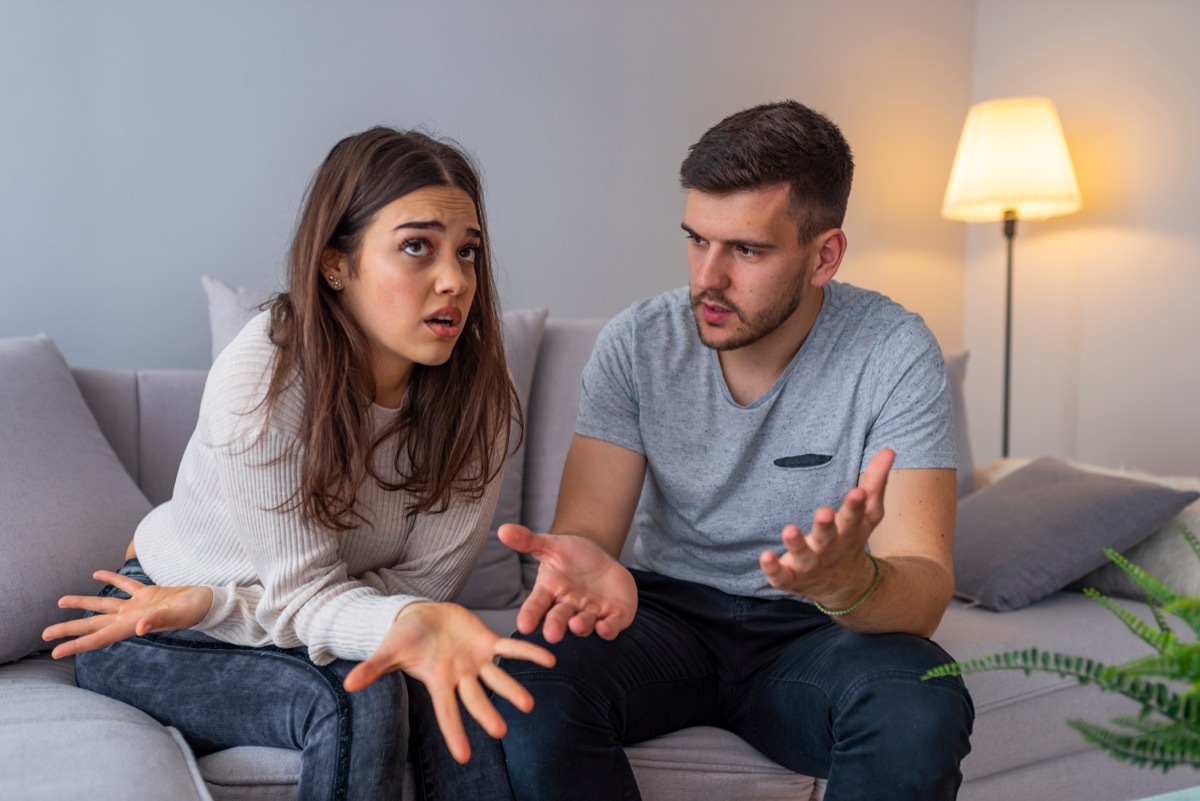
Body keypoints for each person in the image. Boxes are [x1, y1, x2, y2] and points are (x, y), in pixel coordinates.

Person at [435, 100, 976, 801]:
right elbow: (587, 534)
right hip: (664, 615)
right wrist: (587, 563)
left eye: (747, 250)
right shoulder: (638, 343)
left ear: (824, 256)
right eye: (697, 240)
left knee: (921, 704)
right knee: (526, 682)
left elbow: (924, 585)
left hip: (818, 630)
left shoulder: (893, 352)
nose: (708, 278)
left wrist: (852, 584)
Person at [41, 126, 554, 801]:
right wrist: (216, 602)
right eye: (416, 247)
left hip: (227, 606)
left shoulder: (480, 400)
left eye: (468, 252)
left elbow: (418, 593)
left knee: (454, 680)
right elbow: (324, 600)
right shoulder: (266, 377)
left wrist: (232, 602)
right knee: (359, 694)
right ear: (335, 264)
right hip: (157, 618)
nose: (454, 280)